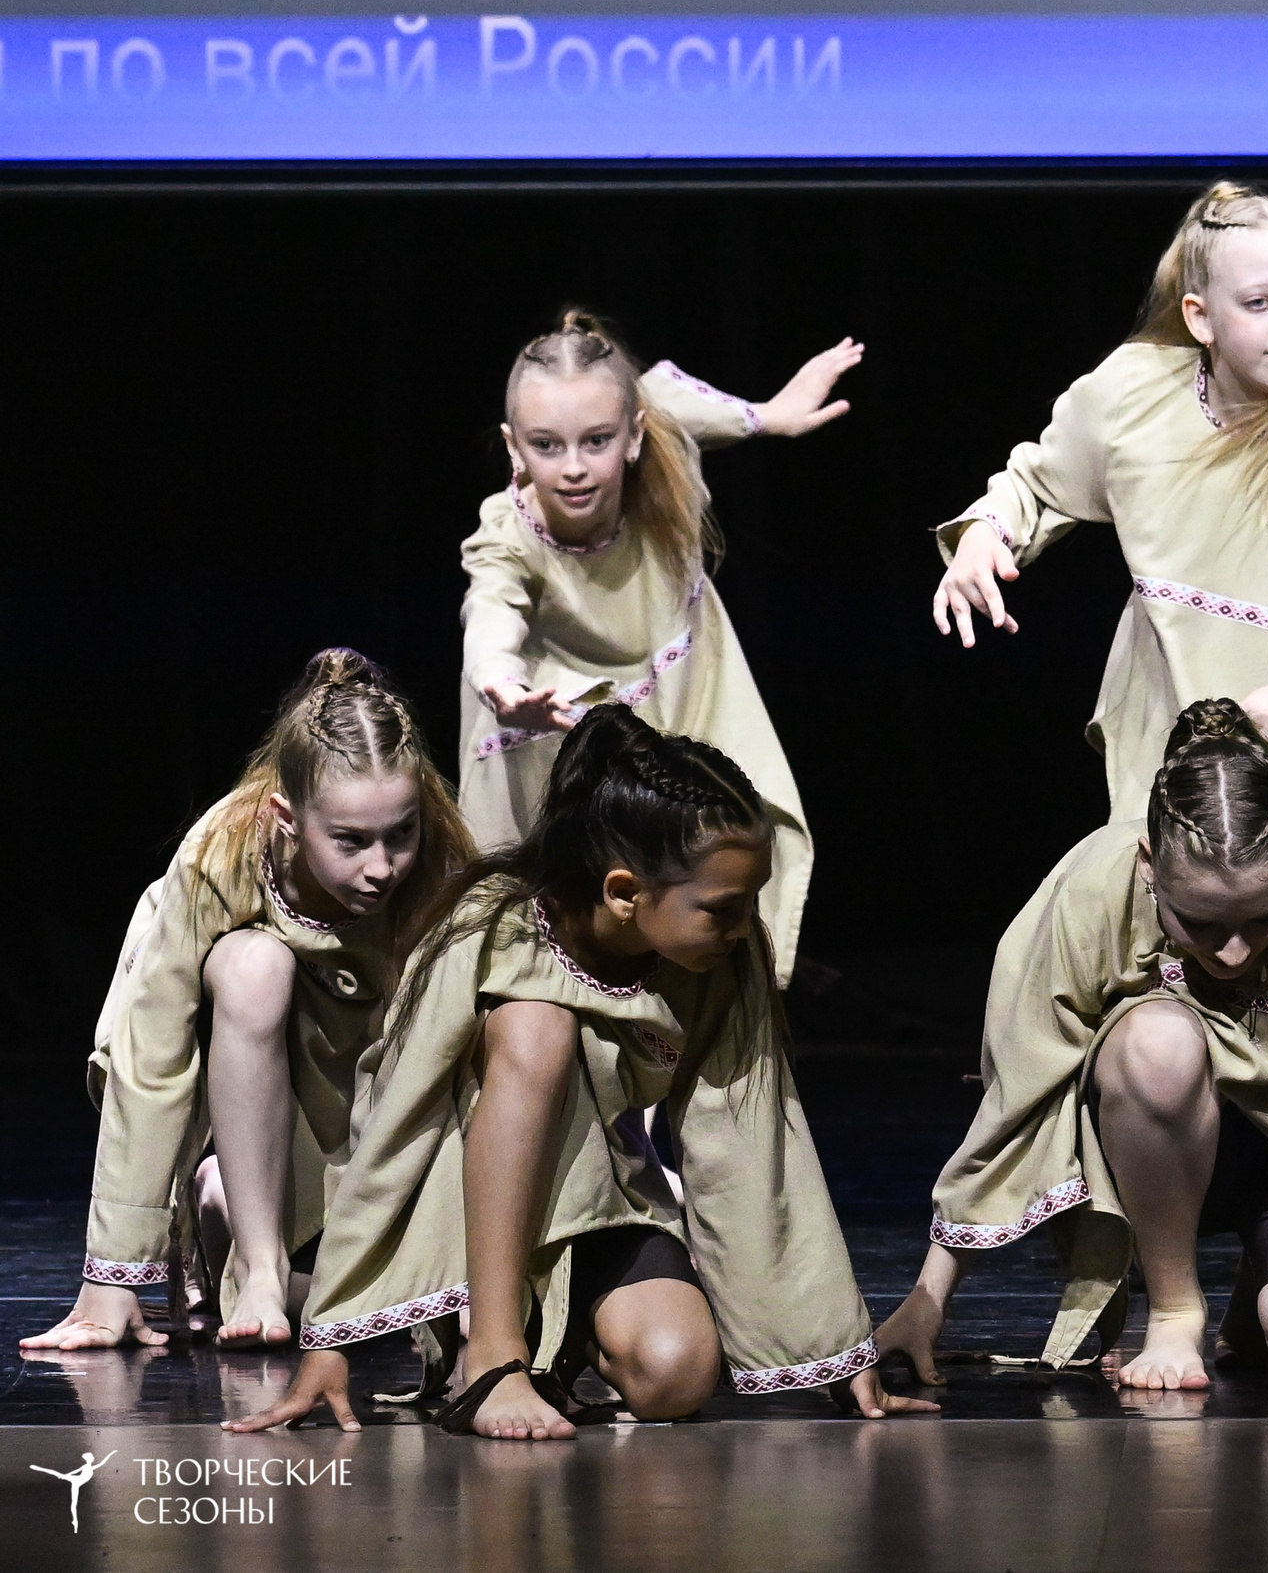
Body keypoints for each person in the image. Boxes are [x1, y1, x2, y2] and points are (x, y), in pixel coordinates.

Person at [223, 707, 934, 1438]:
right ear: (625, 893)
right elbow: (400, 1120)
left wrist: (831, 1349)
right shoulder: (489, 925)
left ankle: (552, 1340)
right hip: (454, 1205)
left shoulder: (720, 959)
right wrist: (331, 1338)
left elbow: (750, 1135)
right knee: (538, 1026)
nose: (743, 926)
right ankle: (492, 1355)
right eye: (724, 908)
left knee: (677, 1373)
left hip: (596, 1199)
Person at [873, 699, 1268, 1392]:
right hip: (1148, 1163)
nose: (1232, 950)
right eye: (1199, 921)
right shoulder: (1092, 888)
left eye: (1263, 918)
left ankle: (1265, 1299)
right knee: (1159, 1042)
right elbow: (1018, 1092)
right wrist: (929, 1301)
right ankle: (1173, 1309)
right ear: (1148, 864)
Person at [929, 182, 1268, 846]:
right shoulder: (1134, 393)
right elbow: (1038, 482)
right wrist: (988, 531)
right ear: (1199, 316)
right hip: (1165, 748)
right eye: (1258, 304)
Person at [23, 649, 470, 1352]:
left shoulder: (443, 863)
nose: (382, 866)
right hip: (260, 1094)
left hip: (376, 1105)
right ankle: (258, 1263)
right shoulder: (223, 853)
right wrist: (112, 1279)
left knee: (399, 1307)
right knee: (252, 964)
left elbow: (460, 1055)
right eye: (351, 840)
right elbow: (152, 1050)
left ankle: (240, 1221)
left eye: (400, 833)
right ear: (285, 817)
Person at [462, 310, 856, 984]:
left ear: (635, 433)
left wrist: (765, 416)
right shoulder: (510, 529)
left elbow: (672, 398)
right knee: (572, 931)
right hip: (564, 725)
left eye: (597, 440)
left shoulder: (659, 456)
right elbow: (490, 606)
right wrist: (500, 681)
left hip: (686, 696)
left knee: (712, 882)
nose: (576, 467)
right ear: (513, 446)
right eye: (546, 445)